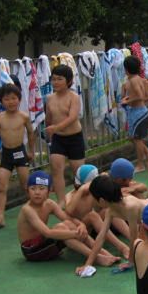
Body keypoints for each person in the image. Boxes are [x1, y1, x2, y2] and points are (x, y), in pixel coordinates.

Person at [17, 171, 118, 268]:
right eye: (33, 189)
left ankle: (102, 252)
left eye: (41, 188)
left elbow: (67, 217)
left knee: (68, 223)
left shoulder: (49, 203)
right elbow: (47, 233)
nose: (37, 192)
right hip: (32, 250)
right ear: (27, 191)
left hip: (43, 243)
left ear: (49, 191)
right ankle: (96, 257)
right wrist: (75, 234)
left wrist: (81, 225)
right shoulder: (27, 209)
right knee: (61, 228)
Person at [0, 83, 35, 228]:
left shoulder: (24, 116)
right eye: (6, 99)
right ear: (1, 101)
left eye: (13, 98)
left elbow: (31, 134)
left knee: (25, 185)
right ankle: (0, 217)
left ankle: (34, 211)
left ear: (19, 99)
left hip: (20, 152)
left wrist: (31, 151)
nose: (11, 102)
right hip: (6, 154)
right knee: (1, 186)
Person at [78, 174, 148, 274]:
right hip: (147, 222)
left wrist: (130, 262)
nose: (92, 201)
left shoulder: (130, 206)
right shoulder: (110, 211)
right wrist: (88, 264)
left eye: (93, 198)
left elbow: (134, 237)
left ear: (102, 200)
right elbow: (101, 237)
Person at [65, 165, 129, 260]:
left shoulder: (93, 192)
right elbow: (68, 211)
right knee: (92, 215)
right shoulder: (70, 195)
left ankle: (134, 238)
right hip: (81, 231)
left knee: (108, 210)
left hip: (96, 227)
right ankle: (122, 248)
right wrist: (81, 191)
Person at [45, 65, 85, 207]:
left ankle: (83, 198)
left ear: (68, 81)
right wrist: (49, 131)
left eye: (59, 79)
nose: (55, 82)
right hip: (58, 139)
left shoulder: (74, 97)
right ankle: (61, 200)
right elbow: (49, 117)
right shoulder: (50, 98)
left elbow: (72, 117)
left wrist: (55, 127)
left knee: (79, 172)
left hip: (74, 138)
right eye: (53, 79)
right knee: (56, 168)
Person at [121, 56, 148, 172]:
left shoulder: (133, 80)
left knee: (137, 139)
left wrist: (127, 101)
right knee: (132, 137)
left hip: (139, 112)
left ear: (126, 69)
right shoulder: (137, 79)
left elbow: (140, 96)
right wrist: (128, 99)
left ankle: (140, 164)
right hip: (136, 111)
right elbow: (145, 95)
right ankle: (147, 153)